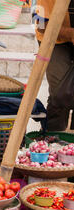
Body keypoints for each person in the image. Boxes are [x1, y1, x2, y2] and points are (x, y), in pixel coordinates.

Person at [34, 0, 74, 131]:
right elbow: (40, 23)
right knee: (60, 93)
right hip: (54, 38)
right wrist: (70, 34)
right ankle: (53, 135)